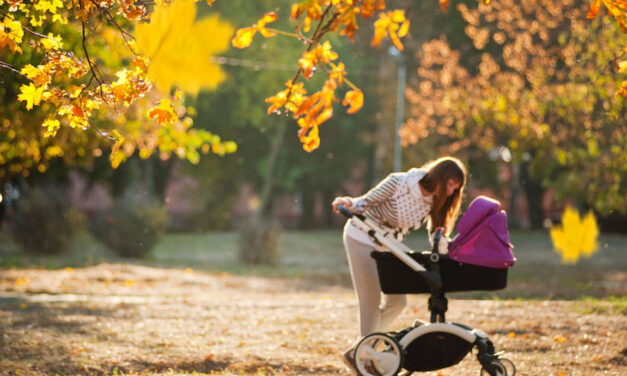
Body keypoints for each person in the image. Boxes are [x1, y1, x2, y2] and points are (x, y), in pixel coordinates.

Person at [331, 156, 467, 373]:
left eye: (455, 188)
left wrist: (446, 249)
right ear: (440, 177)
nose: (451, 192)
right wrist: (347, 202)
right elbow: (364, 202)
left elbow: (437, 234)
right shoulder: (400, 183)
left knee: (397, 301)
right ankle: (363, 363)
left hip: (389, 244)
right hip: (362, 236)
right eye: (450, 185)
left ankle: (359, 351)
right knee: (371, 301)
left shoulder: (436, 201)